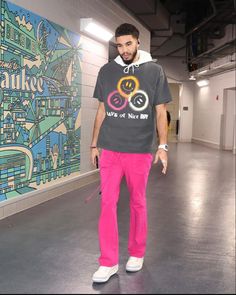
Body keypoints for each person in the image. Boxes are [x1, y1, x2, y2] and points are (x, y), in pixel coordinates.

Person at [90, 23, 172, 283]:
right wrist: (94, 144)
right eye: (119, 45)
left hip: (139, 150)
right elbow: (102, 110)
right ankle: (108, 262)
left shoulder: (154, 71)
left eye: (128, 44)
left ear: (138, 43)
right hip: (111, 149)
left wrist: (163, 146)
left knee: (138, 202)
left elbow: (160, 112)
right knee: (107, 203)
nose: (123, 49)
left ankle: (137, 253)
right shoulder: (106, 71)